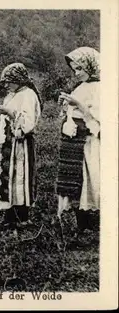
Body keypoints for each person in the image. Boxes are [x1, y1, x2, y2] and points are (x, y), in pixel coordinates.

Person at [0, 63, 42, 234]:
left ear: (19, 80)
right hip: (8, 143)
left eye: (9, 81)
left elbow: (28, 123)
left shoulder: (28, 95)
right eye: (5, 82)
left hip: (21, 144)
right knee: (7, 179)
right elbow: (7, 115)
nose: (6, 85)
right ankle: (9, 216)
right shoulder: (12, 95)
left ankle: (22, 217)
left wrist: (8, 112)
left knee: (20, 177)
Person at [56, 47, 100, 238]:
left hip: (89, 141)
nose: (76, 73)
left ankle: (93, 220)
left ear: (90, 66)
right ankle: (81, 221)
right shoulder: (80, 87)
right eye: (74, 69)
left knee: (91, 179)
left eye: (79, 68)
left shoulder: (100, 88)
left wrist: (78, 104)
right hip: (76, 142)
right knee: (77, 180)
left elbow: (98, 119)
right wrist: (67, 106)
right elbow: (73, 112)